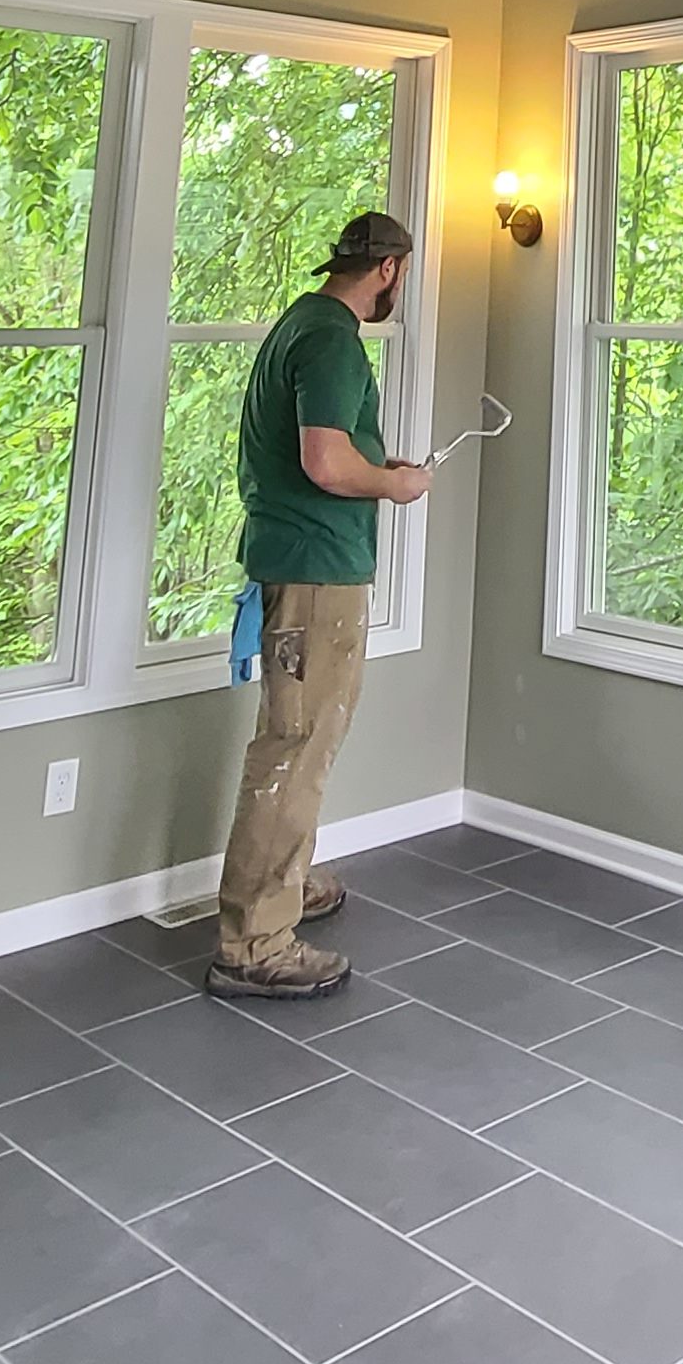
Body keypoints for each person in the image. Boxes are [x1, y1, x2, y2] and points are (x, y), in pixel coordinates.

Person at [206, 210, 431, 1001]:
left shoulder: (300, 323)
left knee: (299, 738)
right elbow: (327, 465)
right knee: (295, 748)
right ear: (390, 270)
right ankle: (256, 942)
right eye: (403, 274)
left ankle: (286, 886)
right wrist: (394, 485)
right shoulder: (334, 339)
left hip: (294, 560)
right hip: (315, 573)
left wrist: (375, 463)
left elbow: (328, 451)